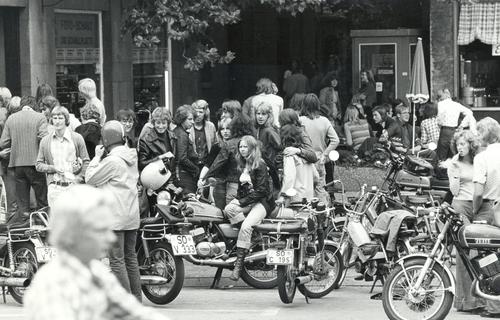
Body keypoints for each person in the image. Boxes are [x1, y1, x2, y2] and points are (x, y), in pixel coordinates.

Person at [24, 185, 168, 320]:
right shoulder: (56, 285)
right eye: (101, 230)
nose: (110, 237)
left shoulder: (95, 271)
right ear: (75, 233)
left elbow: (131, 310)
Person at [85, 120, 142, 301]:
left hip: (115, 216)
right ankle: (137, 299)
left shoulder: (112, 161)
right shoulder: (132, 157)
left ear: (106, 140)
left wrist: (95, 157)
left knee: (117, 261)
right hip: (131, 215)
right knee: (131, 258)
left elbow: (90, 178)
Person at [440, 130, 484, 314]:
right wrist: (455, 172)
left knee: (481, 251)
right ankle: (466, 301)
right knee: (465, 254)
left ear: (471, 145)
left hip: (478, 205)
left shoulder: (479, 160)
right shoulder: (454, 163)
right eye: (458, 144)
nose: (460, 147)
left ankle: (482, 297)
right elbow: (454, 190)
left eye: (464, 144)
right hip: (461, 205)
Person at [224, 135, 274, 286]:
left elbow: (262, 191)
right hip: (250, 201)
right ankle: (255, 236)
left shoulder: (260, 165)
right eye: (241, 146)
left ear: (252, 148)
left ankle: (238, 266)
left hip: (262, 203)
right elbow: (243, 189)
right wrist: (237, 201)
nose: (242, 149)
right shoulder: (244, 164)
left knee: (246, 226)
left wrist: (241, 201)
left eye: (245, 146)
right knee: (229, 209)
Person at [0, 96, 48, 214]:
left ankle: (24, 225)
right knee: (41, 200)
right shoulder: (40, 117)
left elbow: (3, 142)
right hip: (36, 164)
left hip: (17, 165)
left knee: (22, 202)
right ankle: (42, 224)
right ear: (34, 106)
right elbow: (44, 139)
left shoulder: (11, 118)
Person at [472, 117, 500, 317]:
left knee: (486, 256)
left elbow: (478, 192)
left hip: (489, 208)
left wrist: (475, 209)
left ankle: (492, 306)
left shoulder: (481, 158)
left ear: (482, 135)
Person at [36, 106, 89, 206]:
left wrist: (80, 178)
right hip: (55, 187)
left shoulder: (77, 138)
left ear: (66, 120)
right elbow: (38, 164)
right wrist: (53, 168)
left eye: (60, 118)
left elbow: (86, 161)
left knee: (74, 219)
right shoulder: (46, 141)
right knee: (57, 220)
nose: (57, 121)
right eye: (55, 118)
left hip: (73, 186)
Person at [203, 114, 254, 207]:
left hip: (233, 184)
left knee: (230, 213)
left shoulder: (229, 144)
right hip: (252, 185)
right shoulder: (255, 143)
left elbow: (217, 163)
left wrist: (206, 177)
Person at [299, 93, 339, 204]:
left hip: (305, 160)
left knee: (306, 191)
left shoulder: (300, 121)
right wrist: (325, 154)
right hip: (320, 160)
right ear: (318, 105)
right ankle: (325, 213)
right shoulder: (324, 121)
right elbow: (335, 140)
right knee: (321, 190)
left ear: (304, 105)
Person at [277, 123, 317, 204]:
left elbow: (289, 177)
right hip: (309, 196)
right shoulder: (305, 155)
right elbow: (316, 176)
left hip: (295, 197)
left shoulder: (289, 155)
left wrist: (283, 196)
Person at [436, 89, 476, 160]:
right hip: (454, 131)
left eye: (439, 96)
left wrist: (439, 124)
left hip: (444, 131)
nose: (439, 98)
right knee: (453, 154)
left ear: (446, 94)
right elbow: (470, 112)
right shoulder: (457, 105)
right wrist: (462, 125)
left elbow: (439, 119)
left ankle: (441, 169)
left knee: (441, 155)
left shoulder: (440, 104)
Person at [254, 101, 281, 190]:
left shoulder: (269, 130)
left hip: (271, 170)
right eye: (258, 113)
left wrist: (274, 163)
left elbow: (281, 148)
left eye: (264, 114)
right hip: (261, 168)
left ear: (269, 116)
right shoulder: (258, 129)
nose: (260, 116)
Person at [137, 107, 173, 171]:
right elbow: (141, 164)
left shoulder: (173, 137)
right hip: (155, 177)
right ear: (154, 123)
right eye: (158, 123)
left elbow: (175, 161)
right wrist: (159, 158)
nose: (161, 126)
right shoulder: (145, 139)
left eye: (164, 123)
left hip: (171, 176)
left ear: (168, 123)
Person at [173, 105, 198, 193]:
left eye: (193, 119)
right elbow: (182, 158)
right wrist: (196, 169)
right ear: (182, 119)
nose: (193, 122)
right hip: (184, 175)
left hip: (182, 174)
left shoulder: (179, 132)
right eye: (190, 119)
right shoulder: (182, 135)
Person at [191, 99, 217, 173]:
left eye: (201, 112)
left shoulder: (211, 126)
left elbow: (215, 145)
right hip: (192, 165)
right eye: (196, 112)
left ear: (205, 113)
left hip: (207, 165)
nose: (198, 115)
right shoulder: (188, 126)